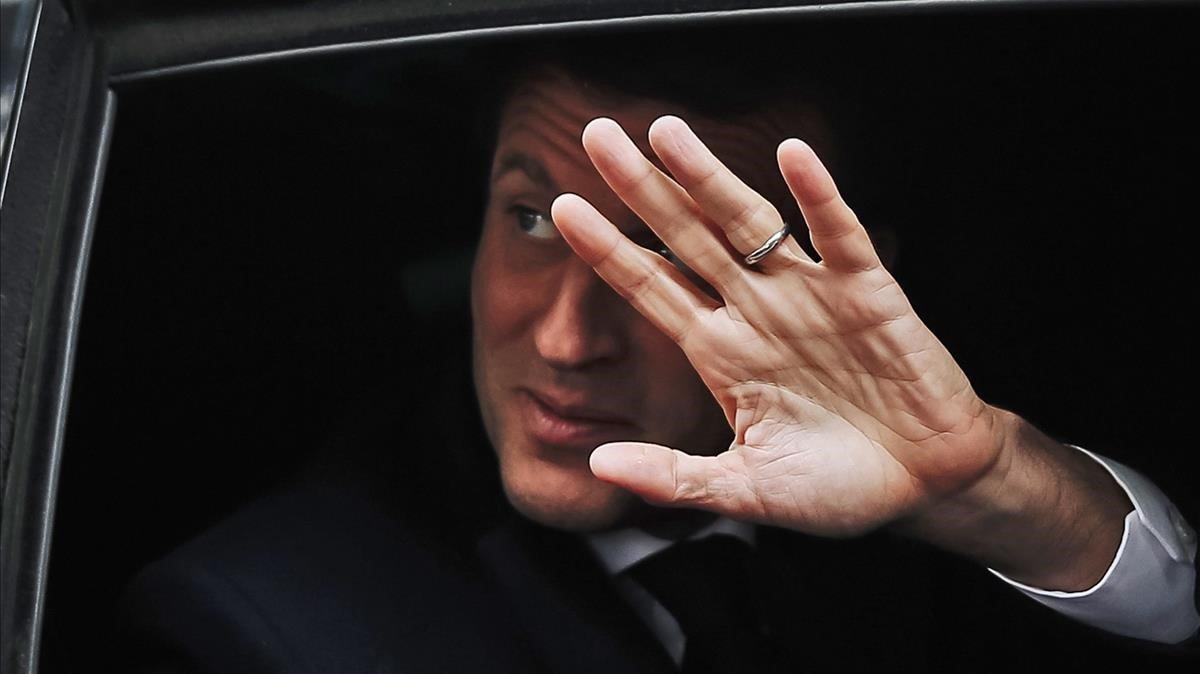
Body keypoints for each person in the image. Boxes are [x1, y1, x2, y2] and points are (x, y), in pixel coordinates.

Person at [116, 53, 1199, 673]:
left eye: (683, 254)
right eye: (533, 216)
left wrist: (989, 483)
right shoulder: (260, 623)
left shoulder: (947, 528)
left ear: (847, 290)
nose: (565, 340)